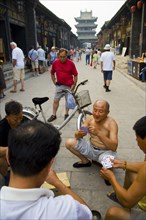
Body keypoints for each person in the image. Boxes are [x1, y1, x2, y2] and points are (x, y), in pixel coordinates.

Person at [0, 120, 92, 220]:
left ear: (7, 156)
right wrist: (58, 183)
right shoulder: (67, 210)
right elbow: (87, 213)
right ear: (50, 164)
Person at [100, 116, 146, 220]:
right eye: (95, 109)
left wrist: (111, 178)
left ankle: (123, 197)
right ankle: (121, 195)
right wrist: (123, 164)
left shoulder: (111, 123)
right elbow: (143, 166)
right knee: (130, 171)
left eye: (138, 137)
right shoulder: (89, 120)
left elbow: (113, 146)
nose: (136, 140)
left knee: (112, 213)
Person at [65, 99, 118, 169]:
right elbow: (79, 135)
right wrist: (78, 133)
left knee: (108, 166)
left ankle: (103, 166)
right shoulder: (90, 119)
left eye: (101, 111)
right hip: (91, 148)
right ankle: (85, 161)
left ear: (107, 112)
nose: (96, 114)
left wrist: (98, 133)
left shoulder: (111, 124)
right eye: (95, 110)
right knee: (69, 143)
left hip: (105, 152)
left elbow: (114, 147)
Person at [47, 48, 78, 122]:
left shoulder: (71, 63)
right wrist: (54, 81)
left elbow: (75, 75)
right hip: (59, 85)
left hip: (69, 86)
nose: (62, 58)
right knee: (56, 100)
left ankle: (66, 114)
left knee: (68, 101)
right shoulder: (55, 63)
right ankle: (54, 115)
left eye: (64, 56)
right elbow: (52, 73)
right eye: (60, 56)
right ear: (58, 56)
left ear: (66, 55)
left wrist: (73, 86)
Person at [0, 100, 26, 185]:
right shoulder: (1, 128)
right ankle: (7, 179)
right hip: (7, 155)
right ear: (7, 117)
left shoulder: (25, 121)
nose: (19, 121)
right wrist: (11, 149)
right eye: (15, 119)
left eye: (20, 118)